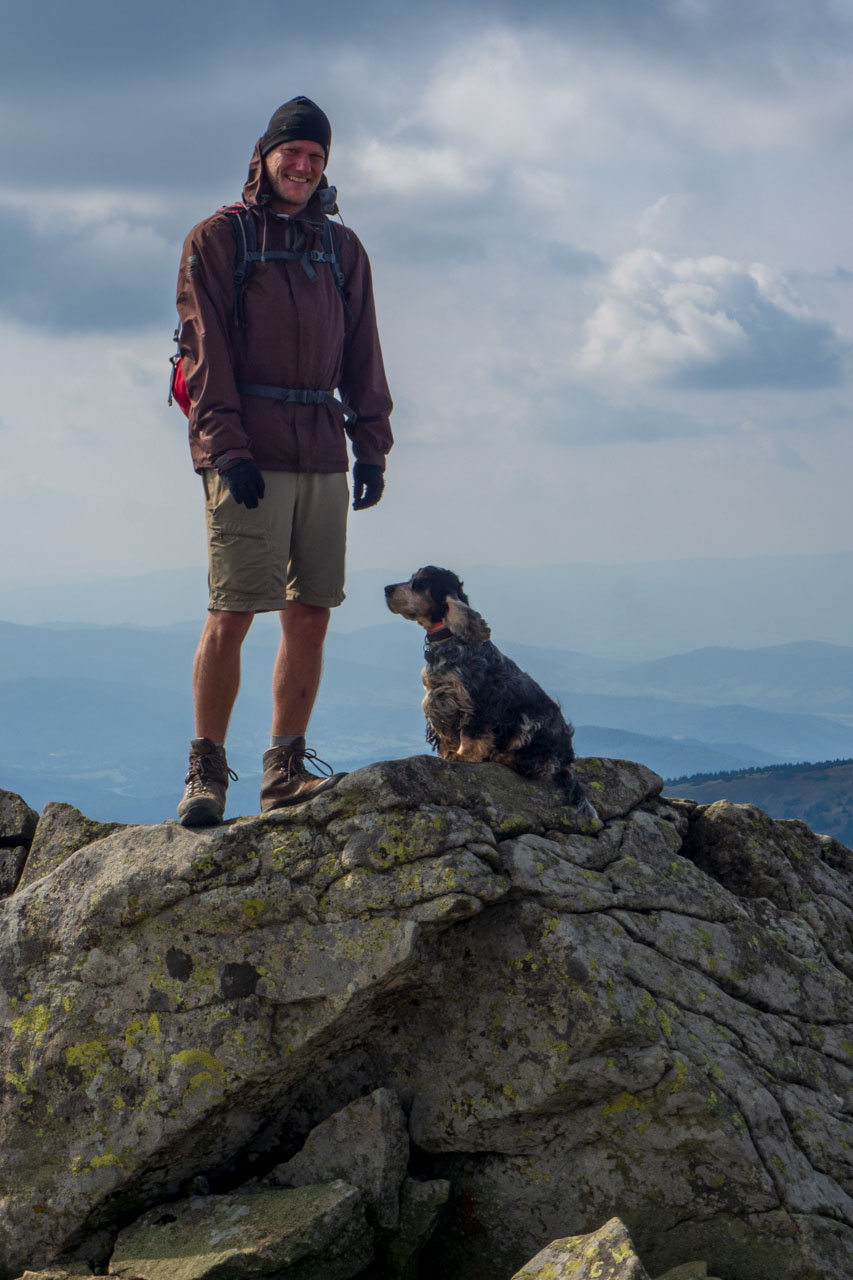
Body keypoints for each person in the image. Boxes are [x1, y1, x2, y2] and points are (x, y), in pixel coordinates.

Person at [174, 96, 393, 827]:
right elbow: (205, 355)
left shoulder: (342, 248)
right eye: (292, 153)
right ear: (264, 158)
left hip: (322, 449)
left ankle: (285, 770)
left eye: (316, 157)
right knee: (232, 612)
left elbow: (363, 351)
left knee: (310, 616)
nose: (303, 166)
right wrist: (228, 451)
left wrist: (371, 448)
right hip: (248, 454)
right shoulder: (219, 240)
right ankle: (205, 771)